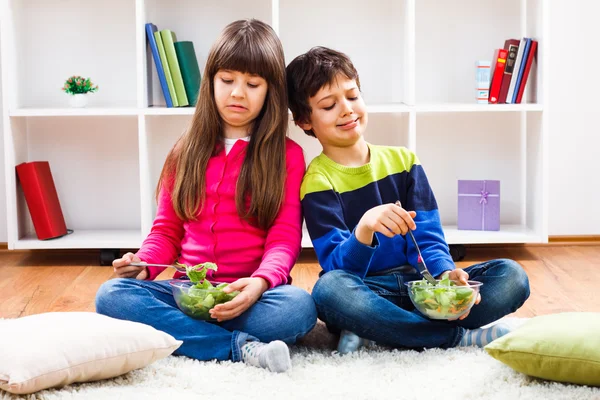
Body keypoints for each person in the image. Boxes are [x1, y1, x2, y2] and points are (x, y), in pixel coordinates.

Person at [95, 19, 317, 373]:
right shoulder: (185, 150)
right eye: (227, 80)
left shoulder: (287, 156)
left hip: (252, 295)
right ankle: (238, 346)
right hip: (188, 294)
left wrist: (258, 283)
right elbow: (166, 231)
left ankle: (182, 336)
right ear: (211, 81)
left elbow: (284, 237)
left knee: (297, 308)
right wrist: (143, 263)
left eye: (252, 84)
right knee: (111, 296)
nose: (237, 93)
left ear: (271, 90)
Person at [286, 46, 530, 354]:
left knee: (512, 277)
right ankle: (447, 336)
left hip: (422, 287)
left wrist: (445, 275)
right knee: (328, 292)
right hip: (367, 291)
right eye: (328, 105)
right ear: (305, 121)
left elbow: (429, 236)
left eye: (352, 96)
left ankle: (386, 330)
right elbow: (337, 267)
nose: (346, 109)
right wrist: (365, 228)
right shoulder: (318, 182)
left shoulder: (404, 161)